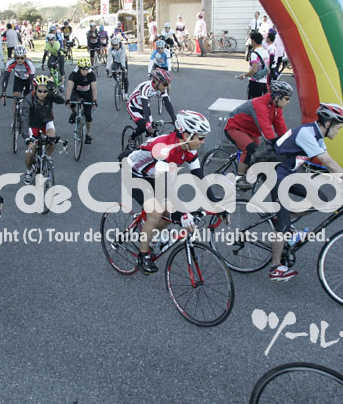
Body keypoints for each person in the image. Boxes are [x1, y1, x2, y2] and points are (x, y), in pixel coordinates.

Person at [266, 103, 343, 281]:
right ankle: (275, 268)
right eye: (338, 127)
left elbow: (327, 163)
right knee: (283, 225)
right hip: (275, 175)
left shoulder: (317, 135)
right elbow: (326, 161)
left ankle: (283, 218)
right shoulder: (306, 134)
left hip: (288, 174)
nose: (338, 131)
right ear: (327, 123)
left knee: (321, 200)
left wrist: (341, 180)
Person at [125, 110, 211, 273]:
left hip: (153, 175)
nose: (203, 142)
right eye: (200, 138)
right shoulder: (164, 148)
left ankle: (149, 235)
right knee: (156, 211)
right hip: (134, 174)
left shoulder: (189, 149)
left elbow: (200, 179)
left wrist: (217, 205)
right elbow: (164, 185)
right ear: (186, 135)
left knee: (171, 212)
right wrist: (182, 213)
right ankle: (143, 255)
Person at [225, 81, 292, 190]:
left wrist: (288, 143)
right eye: (287, 99)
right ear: (277, 97)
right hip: (234, 128)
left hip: (250, 132)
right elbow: (266, 129)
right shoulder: (259, 104)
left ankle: (246, 171)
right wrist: (276, 147)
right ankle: (239, 177)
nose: (288, 102)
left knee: (258, 152)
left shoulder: (276, 108)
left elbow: (281, 127)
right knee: (250, 148)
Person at [22, 75, 65, 185]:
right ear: (35, 89)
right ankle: (29, 171)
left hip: (46, 122)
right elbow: (25, 118)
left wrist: (54, 90)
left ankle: (48, 158)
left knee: (52, 139)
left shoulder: (50, 95)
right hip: (33, 125)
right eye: (40, 91)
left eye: (45, 91)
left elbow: (62, 100)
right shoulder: (28, 99)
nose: (42, 94)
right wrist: (27, 137)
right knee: (30, 151)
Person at [125, 68, 176, 148]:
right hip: (133, 106)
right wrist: (147, 122)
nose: (166, 87)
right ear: (156, 81)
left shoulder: (162, 89)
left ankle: (148, 148)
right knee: (143, 126)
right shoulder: (146, 87)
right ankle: (132, 138)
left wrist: (174, 119)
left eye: (167, 84)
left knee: (153, 133)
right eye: (164, 84)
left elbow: (167, 103)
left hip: (145, 107)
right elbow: (144, 104)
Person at [65, 57, 98, 144]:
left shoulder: (91, 74)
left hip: (88, 94)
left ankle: (88, 134)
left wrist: (94, 100)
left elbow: (94, 88)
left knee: (88, 115)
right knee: (72, 102)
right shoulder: (74, 74)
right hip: (77, 92)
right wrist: (67, 99)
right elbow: (69, 87)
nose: (85, 72)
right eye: (83, 70)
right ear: (79, 68)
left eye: (87, 69)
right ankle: (73, 113)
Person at [238, 31, 272, 97]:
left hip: (255, 83)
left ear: (253, 41)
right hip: (264, 82)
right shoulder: (265, 52)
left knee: (253, 101)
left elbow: (254, 70)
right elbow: (268, 69)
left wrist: (244, 76)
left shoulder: (255, 53)